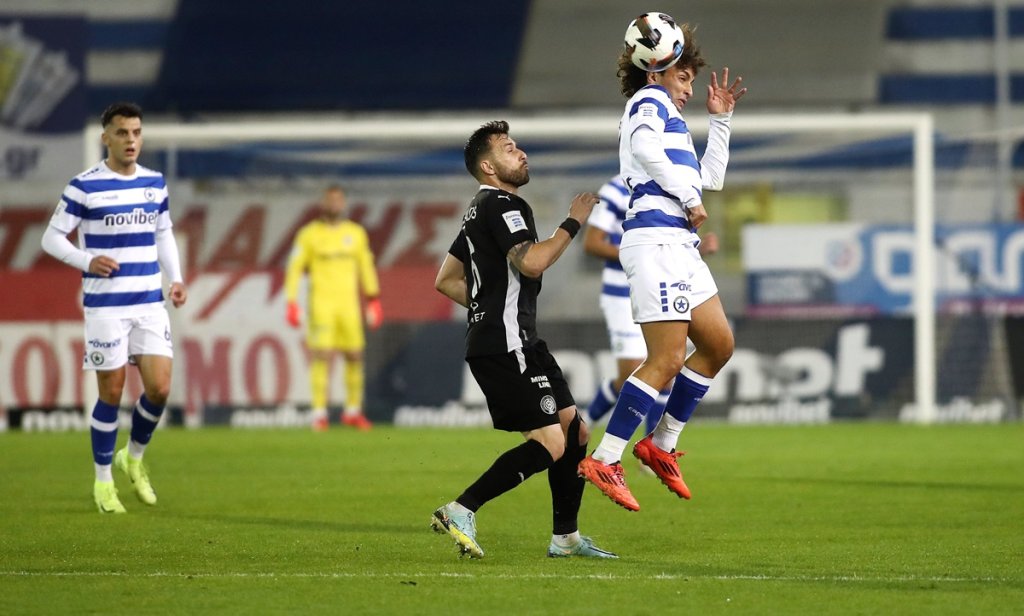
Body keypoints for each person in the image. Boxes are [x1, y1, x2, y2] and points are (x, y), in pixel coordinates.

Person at [578, 15, 746, 511]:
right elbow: (646, 150)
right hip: (655, 240)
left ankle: (661, 443)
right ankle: (605, 458)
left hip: (679, 245)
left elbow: (711, 177)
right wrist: (688, 198)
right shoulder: (647, 100)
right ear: (656, 70)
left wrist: (721, 121)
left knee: (719, 344)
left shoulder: (671, 118)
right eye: (684, 77)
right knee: (667, 359)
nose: (690, 88)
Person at [431, 120, 616, 559]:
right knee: (551, 443)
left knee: (575, 431)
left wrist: (486, 307)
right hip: (506, 343)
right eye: (509, 148)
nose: (521, 153)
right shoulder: (501, 204)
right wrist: (573, 221)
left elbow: (446, 279)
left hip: (520, 339)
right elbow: (532, 262)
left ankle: (565, 539)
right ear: (487, 166)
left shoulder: (477, 210)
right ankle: (461, 508)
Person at [41, 102, 187, 514]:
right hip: (106, 306)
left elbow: (164, 233)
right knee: (112, 391)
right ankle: (103, 481)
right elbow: (51, 239)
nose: (131, 140)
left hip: (149, 302)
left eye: (136, 132)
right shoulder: (83, 187)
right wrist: (87, 261)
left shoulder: (154, 183)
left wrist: (176, 278)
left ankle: (133, 457)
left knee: (160, 389)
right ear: (106, 138)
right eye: (122, 133)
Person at [584, 174, 720, 437]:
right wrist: (640, 253)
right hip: (622, 292)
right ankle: (583, 425)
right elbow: (592, 242)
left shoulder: (673, 183)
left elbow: (672, 244)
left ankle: (652, 446)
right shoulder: (615, 189)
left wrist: (697, 249)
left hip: (663, 286)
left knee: (667, 367)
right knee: (631, 373)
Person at [285, 185, 382, 431]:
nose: (335, 204)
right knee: (323, 356)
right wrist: (291, 301)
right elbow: (294, 268)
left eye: (339, 200)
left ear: (344, 203)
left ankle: (352, 411)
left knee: (355, 355)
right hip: (321, 305)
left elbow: (366, 266)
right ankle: (319, 413)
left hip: (349, 305)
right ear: (323, 203)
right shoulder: (309, 234)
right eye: (330, 200)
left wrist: (373, 299)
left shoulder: (356, 233)